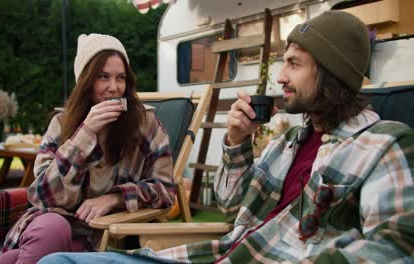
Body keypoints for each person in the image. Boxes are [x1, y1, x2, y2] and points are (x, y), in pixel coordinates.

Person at [38, 10, 414, 264]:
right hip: (213, 255)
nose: (280, 76)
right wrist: (235, 143)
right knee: (57, 261)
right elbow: (234, 212)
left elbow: (395, 246)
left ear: (331, 74)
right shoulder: (287, 144)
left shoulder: (383, 143)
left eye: (294, 64)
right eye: (283, 62)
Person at [0, 34, 176, 264]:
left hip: (99, 234)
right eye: (103, 77)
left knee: (11, 260)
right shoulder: (61, 123)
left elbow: (166, 190)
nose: (114, 88)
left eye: (121, 78)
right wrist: (84, 135)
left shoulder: (145, 124)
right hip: (52, 223)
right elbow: (41, 196)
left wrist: (115, 198)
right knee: (52, 227)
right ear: (86, 82)